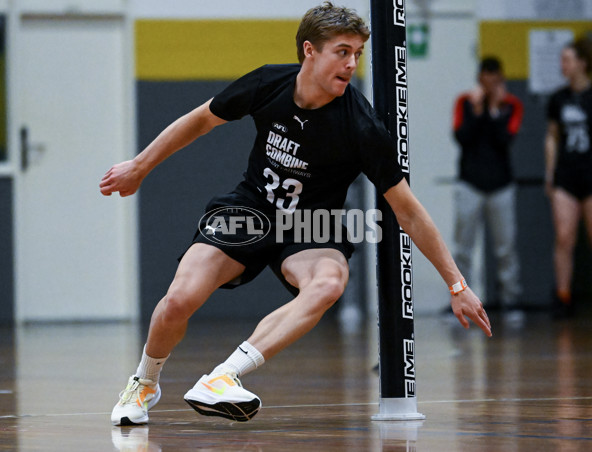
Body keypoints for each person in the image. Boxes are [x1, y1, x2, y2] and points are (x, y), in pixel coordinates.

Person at [100, 2, 492, 427]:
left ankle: (223, 377)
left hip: (311, 224)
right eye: (342, 52)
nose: (351, 63)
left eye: (358, 54)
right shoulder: (270, 83)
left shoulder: (362, 125)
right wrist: (139, 166)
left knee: (328, 283)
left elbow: (409, 212)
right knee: (179, 299)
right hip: (251, 206)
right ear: (310, 50)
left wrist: (457, 285)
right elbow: (200, 120)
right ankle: (144, 382)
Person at [451, 56, 524, 316]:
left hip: (501, 186)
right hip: (470, 184)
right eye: (486, 77)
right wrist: (479, 109)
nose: (491, 82)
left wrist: (494, 110)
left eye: (496, 78)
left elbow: (505, 139)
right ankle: (459, 300)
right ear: (480, 78)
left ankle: (510, 300)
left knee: (506, 248)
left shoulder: (511, 105)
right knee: (463, 248)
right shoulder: (465, 102)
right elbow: (461, 137)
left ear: (501, 79)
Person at [545, 38, 592, 318]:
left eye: (568, 59)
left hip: (590, 174)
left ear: (582, 63)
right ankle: (563, 297)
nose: (563, 64)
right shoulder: (558, 99)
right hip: (566, 175)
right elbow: (551, 137)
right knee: (564, 238)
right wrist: (550, 173)